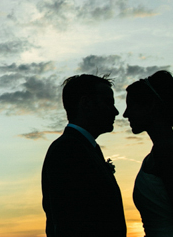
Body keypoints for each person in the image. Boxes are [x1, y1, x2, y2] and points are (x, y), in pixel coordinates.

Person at [42, 74, 126, 236]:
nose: (116, 111)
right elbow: (69, 221)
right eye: (109, 103)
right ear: (86, 103)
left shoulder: (85, 147)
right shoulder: (67, 150)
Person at [124, 70, 173, 237]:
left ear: (150, 105)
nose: (125, 114)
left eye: (131, 105)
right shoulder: (164, 149)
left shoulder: (167, 151)